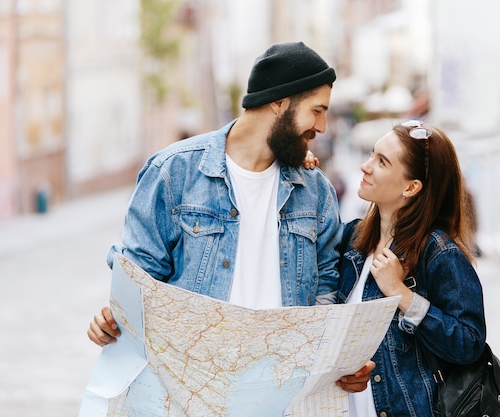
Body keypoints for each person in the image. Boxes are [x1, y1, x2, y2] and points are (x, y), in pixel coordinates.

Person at [87, 41, 373, 393]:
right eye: (317, 110)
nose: (323, 126)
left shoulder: (315, 190)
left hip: (282, 391)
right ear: (280, 102)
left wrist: (334, 362)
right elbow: (138, 279)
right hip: (191, 389)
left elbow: (326, 288)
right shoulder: (174, 171)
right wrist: (113, 319)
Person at [336, 120, 487, 417]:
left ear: (411, 186)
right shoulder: (352, 241)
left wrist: (400, 293)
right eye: (371, 154)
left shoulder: (437, 252)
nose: (365, 167)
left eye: (382, 162)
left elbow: (469, 343)